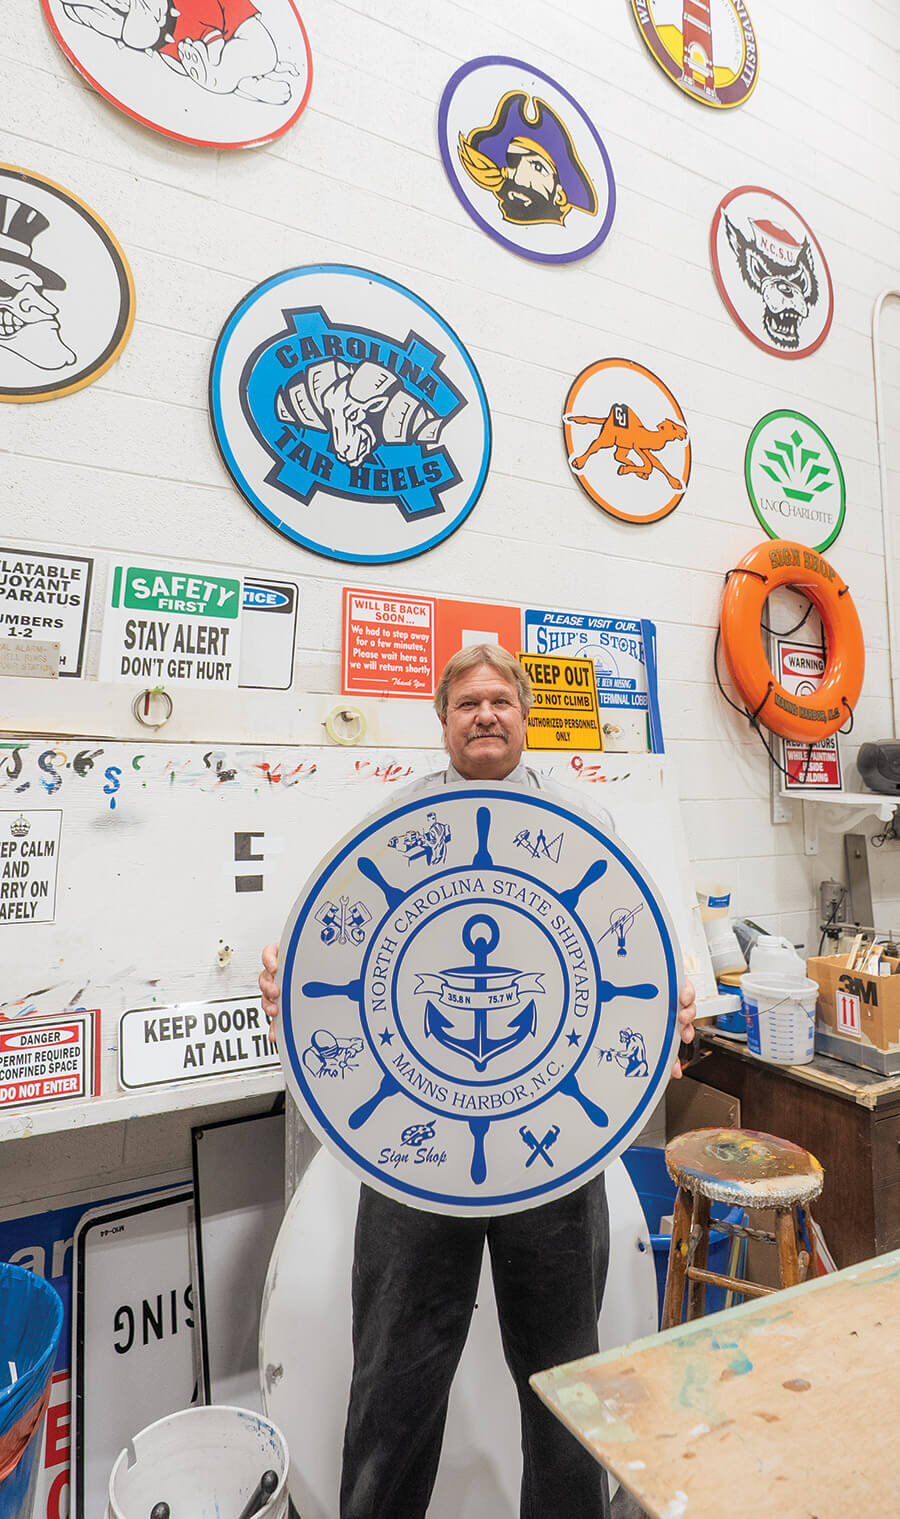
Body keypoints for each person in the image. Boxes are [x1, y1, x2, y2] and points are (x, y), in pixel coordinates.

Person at [260, 645, 697, 1519]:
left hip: (553, 1161)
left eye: (501, 700)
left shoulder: (583, 825)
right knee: (393, 1380)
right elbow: (328, 957)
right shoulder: (392, 828)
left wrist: (663, 1013)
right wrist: (290, 974)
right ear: (444, 719)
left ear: (525, 715)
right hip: (416, 1163)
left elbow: (638, 961)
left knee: (565, 1381)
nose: (486, 714)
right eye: (468, 702)